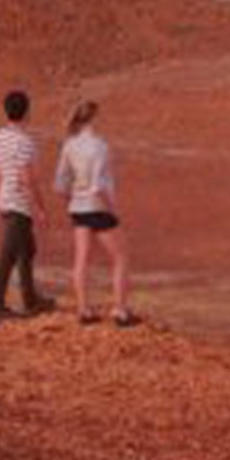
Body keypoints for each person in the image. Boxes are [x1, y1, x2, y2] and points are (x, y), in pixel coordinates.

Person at [55, 99, 140, 328]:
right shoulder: (100, 145)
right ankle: (120, 310)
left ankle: (84, 309)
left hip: (78, 208)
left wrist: (71, 203)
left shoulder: (69, 145)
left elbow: (60, 183)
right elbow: (99, 185)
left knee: (81, 259)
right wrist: (113, 209)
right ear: (94, 118)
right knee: (121, 257)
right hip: (98, 207)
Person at [0, 89, 57, 322]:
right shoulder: (25, 141)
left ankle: (31, 299)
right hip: (19, 205)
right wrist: (40, 209)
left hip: (7, 200)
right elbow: (28, 178)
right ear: (26, 112)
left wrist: (0, 197)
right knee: (7, 256)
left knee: (27, 251)